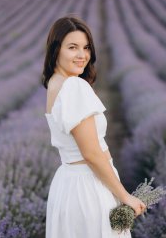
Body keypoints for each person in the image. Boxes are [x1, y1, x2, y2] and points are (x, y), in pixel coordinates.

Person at [42, 15, 146, 238]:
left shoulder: (54, 83)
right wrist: (125, 196)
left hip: (68, 184)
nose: (82, 55)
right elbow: (91, 154)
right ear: (56, 49)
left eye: (86, 47)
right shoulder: (74, 86)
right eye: (73, 47)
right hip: (89, 186)